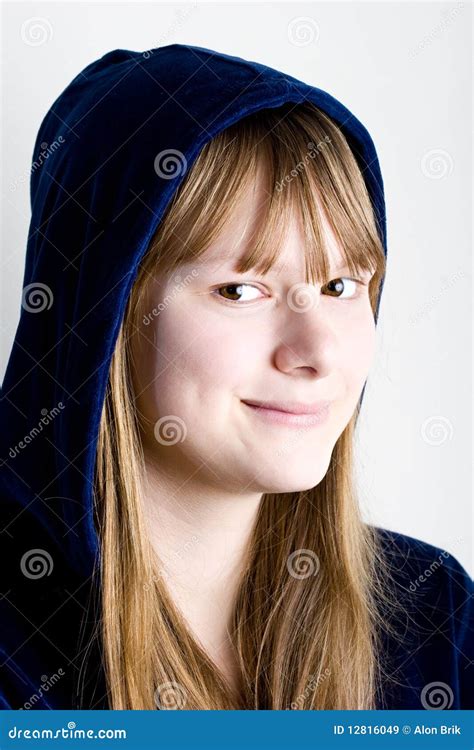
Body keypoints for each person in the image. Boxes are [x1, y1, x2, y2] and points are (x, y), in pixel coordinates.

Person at [0, 44, 472, 711]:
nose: (316, 353)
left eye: (340, 285)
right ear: (103, 312)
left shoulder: (437, 618)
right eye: (240, 291)